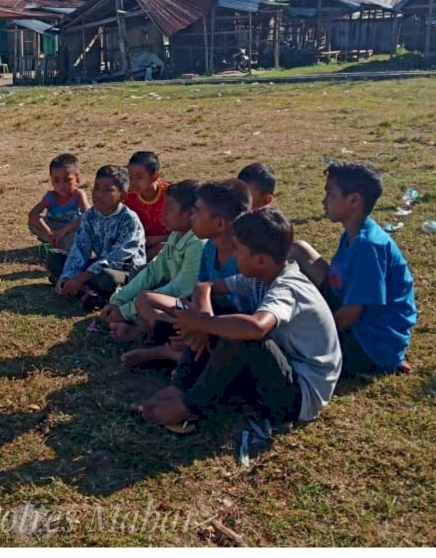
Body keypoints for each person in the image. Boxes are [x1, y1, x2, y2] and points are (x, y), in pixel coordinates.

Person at [133, 208, 342, 431]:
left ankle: (189, 406)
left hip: (299, 397)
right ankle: (181, 387)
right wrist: (204, 321)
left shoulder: (288, 288)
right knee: (222, 312)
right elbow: (205, 287)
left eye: (238, 249)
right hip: (278, 370)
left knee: (242, 336)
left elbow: (256, 327)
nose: (234, 254)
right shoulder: (262, 275)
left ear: (260, 259)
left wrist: (202, 322)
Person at [289, 161, 417, 375]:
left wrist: (314, 334)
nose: (323, 201)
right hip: (356, 319)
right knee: (299, 249)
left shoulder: (369, 246)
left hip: (369, 344)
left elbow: (351, 314)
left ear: (354, 200)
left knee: (290, 340)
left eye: (330, 195)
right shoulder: (354, 233)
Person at [121, 179, 251, 368]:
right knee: (147, 300)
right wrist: (198, 323)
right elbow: (200, 289)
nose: (192, 217)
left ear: (220, 223)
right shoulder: (210, 248)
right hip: (205, 319)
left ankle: (169, 353)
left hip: (233, 329)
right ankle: (179, 351)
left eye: (197, 212)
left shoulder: (243, 256)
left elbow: (245, 315)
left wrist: (202, 325)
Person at [100, 180, 205, 342]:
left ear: (191, 214)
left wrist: (127, 310)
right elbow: (153, 271)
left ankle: (140, 333)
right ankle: (138, 324)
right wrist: (118, 301)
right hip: (169, 297)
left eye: (169, 209)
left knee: (148, 307)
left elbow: (181, 289)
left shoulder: (198, 242)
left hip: (190, 305)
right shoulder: (177, 234)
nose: (162, 213)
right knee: (140, 273)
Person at [46, 165, 145, 310]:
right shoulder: (90, 215)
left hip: (125, 270)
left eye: (107, 190)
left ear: (123, 195)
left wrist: (81, 277)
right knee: (53, 257)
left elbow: (117, 259)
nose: (98, 194)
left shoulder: (129, 220)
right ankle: (85, 291)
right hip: (97, 266)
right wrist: (68, 275)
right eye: (96, 188)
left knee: (107, 278)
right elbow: (80, 248)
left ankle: (84, 290)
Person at [28, 153, 90, 252]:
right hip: (52, 228)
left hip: (70, 229)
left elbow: (89, 216)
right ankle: (53, 241)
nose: (62, 185)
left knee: (82, 234)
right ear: (51, 181)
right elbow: (33, 215)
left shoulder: (78, 195)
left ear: (77, 180)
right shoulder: (50, 196)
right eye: (56, 181)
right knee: (32, 223)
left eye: (67, 180)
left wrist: (63, 231)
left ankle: (58, 246)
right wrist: (49, 233)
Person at [125, 151, 170, 261]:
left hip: (166, 245)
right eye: (130, 177)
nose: (133, 182)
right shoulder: (127, 196)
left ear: (155, 176)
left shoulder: (170, 196)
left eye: (139, 177)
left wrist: (154, 240)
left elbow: (184, 231)